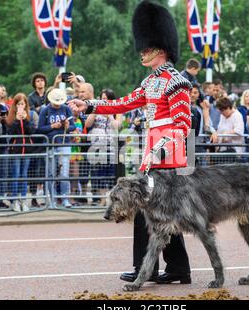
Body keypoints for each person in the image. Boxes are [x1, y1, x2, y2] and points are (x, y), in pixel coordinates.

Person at [70, 1, 192, 285]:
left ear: (160, 49)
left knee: (144, 213)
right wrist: (87, 105)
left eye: (146, 48)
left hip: (169, 160)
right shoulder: (150, 82)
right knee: (162, 214)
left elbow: (182, 127)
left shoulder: (177, 82)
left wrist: (155, 153)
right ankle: (178, 269)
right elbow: (121, 104)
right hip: (154, 157)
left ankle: (143, 269)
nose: (142, 52)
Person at [38, 88, 76, 208]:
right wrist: (53, 126)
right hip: (50, 145)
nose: (57, 104)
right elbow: (40, 128)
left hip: (64, 144)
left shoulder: (66, 109)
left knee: (64, 173)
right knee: (51, 173)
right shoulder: (45, 110)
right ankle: (52, 199)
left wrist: (67, 126)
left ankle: (64, 198)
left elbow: (73, 127)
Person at [85, 87, 122, 206]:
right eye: (101, 98)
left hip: (111, 146)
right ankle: (102, 199)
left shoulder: (117, 110)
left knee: (110, 174)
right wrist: (95, 111)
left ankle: (111, 199)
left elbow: (117, 126)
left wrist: (110, 116)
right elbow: (87, 124)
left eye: (105, 98)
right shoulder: (95, 108)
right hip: (97, 145)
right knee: (99, 173)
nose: (103, 100)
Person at [6, 93, 38, 212]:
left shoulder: (29, 115)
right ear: (15, 105)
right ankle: (14, 200)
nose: (20, 106)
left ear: (25, 105)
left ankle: (23, 200)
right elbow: (10, 132)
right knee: (15, 175)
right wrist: (17, 120)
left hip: (27, 149)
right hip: (16, 149)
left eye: (22, 104)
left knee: (24, 175)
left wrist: (24, 120)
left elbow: (32, 131)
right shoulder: (10, 116)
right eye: (18, 104)